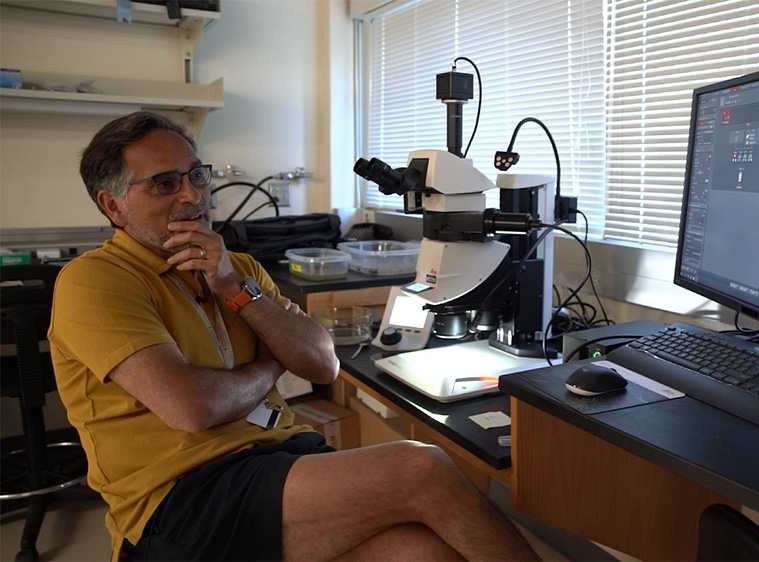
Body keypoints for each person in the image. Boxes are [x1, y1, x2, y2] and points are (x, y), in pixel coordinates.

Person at [48, 111, 540, 561]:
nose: (192, 195)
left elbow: (321, 363)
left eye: (197, 175)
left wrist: (235, 290)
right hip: (181, 500)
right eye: (164, 183)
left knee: (424, 552)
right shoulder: (96, 281)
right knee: (422, 469)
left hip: (280, 457)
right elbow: (191, 408)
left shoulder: (237, 267)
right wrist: (268, 365)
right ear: (113, 206)